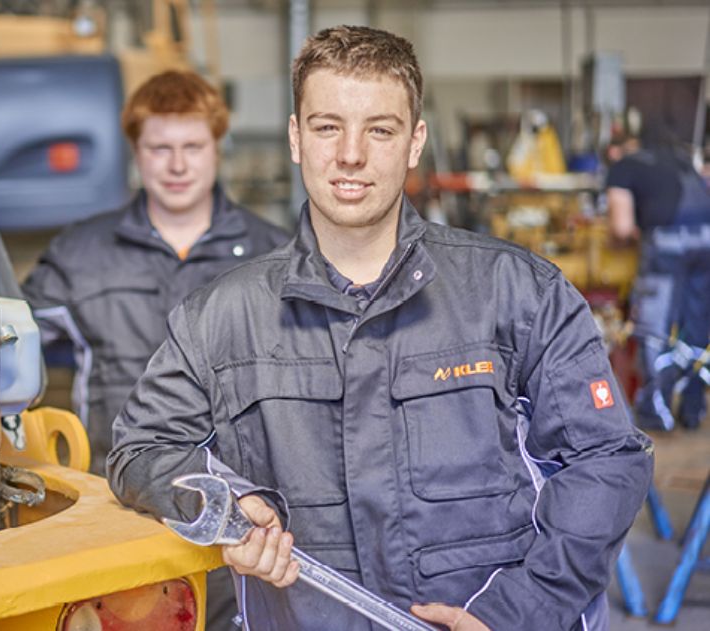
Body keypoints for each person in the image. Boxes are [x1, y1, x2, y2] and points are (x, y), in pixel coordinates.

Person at [108, 26, 652, 631]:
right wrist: (223, 509)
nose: (350, 154)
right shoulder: (222, 316)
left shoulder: (517, 292)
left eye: (380, 129)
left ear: (415, 141)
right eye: (326, 126)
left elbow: (606, 459)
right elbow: (140, 450)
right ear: (295, 137)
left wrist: (518, 613)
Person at [22, 69, 288, 629]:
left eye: (192, 146)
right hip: (115, 518)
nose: (176, 164)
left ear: (218, 147)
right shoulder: (82, 253)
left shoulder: (273, 258)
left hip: (237, 527)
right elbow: (6, 344)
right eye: (159, 147)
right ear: (135, 152)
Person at [606, 126, 710, 431]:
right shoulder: (675, 157)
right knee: (697, 327)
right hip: (707, 242)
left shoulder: (622, 168)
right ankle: (693, 410)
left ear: (614, 152)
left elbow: (621, 227)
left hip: (667, 245)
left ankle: (655, 414)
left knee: (655, 327)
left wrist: (637, 233)